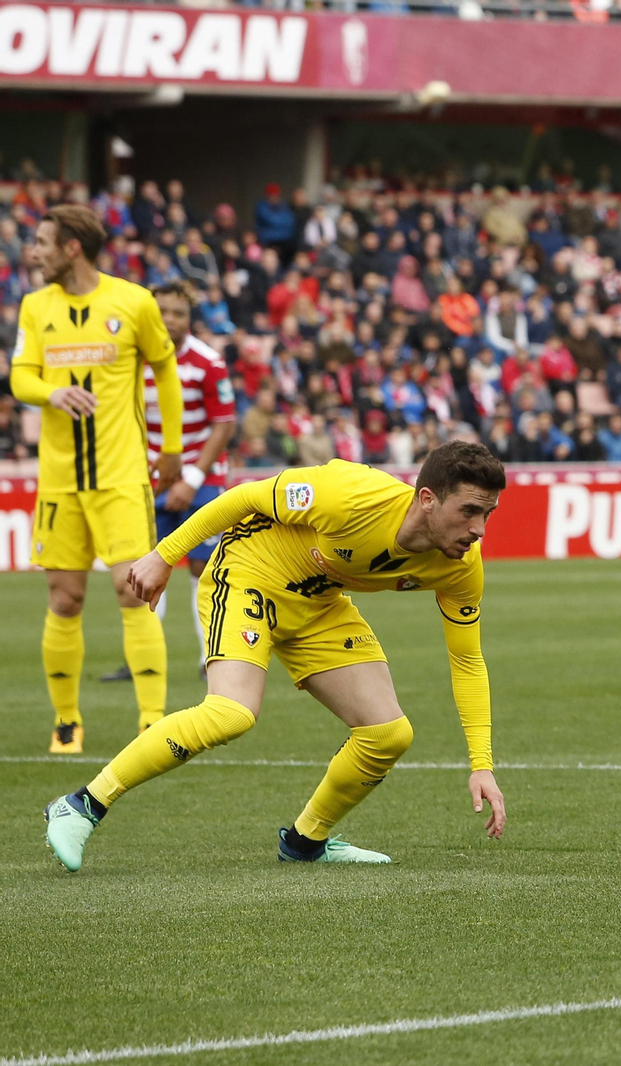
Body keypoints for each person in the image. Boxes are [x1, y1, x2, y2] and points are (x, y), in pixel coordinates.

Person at [43, 443, 510, 871]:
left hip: (317, 600)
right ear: (427, 499)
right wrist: (165, 555)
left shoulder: (462, 565)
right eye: (469, 511)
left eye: (488, 514)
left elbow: (468, 661)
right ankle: (83, 804)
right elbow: (245, 498)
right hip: (250, 571)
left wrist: (481, 763)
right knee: (231, 713)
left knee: (388, 734)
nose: (479, 529)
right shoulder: (349, 494)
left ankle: (306, 841)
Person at [10, 205, 187, 753]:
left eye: (41, 242)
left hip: (121, 473)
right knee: (64, 598)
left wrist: (174, 447)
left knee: (131, 592)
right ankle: (66, 722)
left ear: (71, 248)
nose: (32, 252)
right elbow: (20, 376)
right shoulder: (35, 307)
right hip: (60, 479)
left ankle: (152, 719)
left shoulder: (132, 301)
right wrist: (50, 392)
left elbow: (166, 367)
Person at [102, 284, 237, 684]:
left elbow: (224, 423)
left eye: (178, 313)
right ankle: (142, 658)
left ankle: (211, 658)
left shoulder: (208, 361)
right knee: (140, 566)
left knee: (205, 568)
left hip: (201, 476)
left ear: (189, 319)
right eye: (162, 312)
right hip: (146, 478)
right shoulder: (131, 358)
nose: (169, 320)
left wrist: (192, 479)